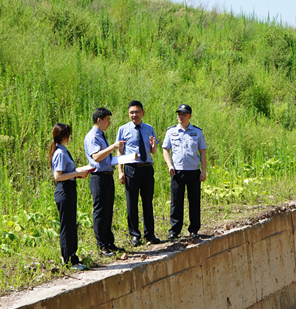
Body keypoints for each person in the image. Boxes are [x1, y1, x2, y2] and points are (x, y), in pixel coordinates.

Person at [116, 100, 161, 246]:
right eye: (131, 112)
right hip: (132, 169)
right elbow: (120, 151)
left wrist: (153, 146)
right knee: (132, 203)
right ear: (128, 114)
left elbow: (153, 151)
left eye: (136, 112)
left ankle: (150, 234)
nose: (134, 115)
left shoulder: (149, 128)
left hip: (147, 168)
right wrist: (120, 171)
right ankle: (135, 234)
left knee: (147, 201)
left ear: (143, 113)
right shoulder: (123, 129)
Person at [84, 108, 126, 257]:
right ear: (99, 120)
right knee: (100, 211)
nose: (109, 123)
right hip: (98, 177)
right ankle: (102, 246)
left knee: (108, 210)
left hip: (107, 175)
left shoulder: (101, 135)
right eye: (107, 120)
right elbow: (96, 157)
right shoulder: (92, 137)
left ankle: (109, 242)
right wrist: (112, 147)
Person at [162, 104, 207, 240]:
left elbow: (203, 152)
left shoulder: (197, 132)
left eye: (184, 114)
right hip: (177, 172)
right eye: (179, 114)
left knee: (194, 201)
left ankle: (194, 229)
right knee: (176, 201)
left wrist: (204, 171)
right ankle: (174, 230)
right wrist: (169, 165)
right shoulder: (171, 131)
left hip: (193, 171)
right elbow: (165, 149)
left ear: (190, 116)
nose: (180, 117)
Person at [49, 123, 91, 268]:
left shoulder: (63, 151)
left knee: (72, 224)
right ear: (65, 136)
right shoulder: (60, 153)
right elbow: (58, 176)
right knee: (67, 226)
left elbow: (67, 172)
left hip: (70, 189)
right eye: (69, 134)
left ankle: (73, 256)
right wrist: (77, 173)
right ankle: (67, 259)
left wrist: (79, 172)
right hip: (64, 190)